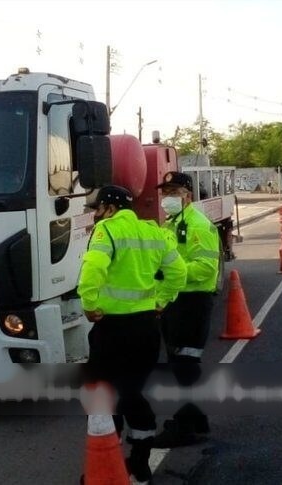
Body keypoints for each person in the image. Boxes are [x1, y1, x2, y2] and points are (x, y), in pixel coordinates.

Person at [78, 185, 187, 484]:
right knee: (132, 391)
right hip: (146, 329)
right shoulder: (154, 232)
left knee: (102, 395)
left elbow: (92, 270)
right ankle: (140, 462)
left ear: (110, 208)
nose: (96, 215)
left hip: (112, 329)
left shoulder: (107, 231)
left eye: (97, 208)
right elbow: (178, 271)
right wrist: (162, 300)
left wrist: (89, 304)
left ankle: (105, 466)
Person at [152, 171, 221, 448]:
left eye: (174, 192)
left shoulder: (198, 225)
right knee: (179, 364)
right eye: (165, 192)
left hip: (192, 303)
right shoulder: (172, 223)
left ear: (188, 196)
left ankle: (183, 427)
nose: (167, 198)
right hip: (176, 302)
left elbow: (206, 268)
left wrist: (171, 273)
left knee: (184, 365)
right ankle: (195, 418)